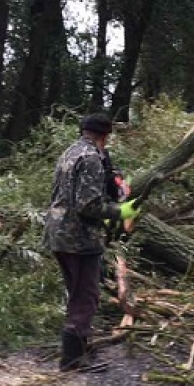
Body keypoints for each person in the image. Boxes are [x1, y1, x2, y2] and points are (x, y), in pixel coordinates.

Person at [43, 113, 140, 372]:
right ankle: (73, 360)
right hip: (78, 237)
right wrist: (120, 212)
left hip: (59, 232)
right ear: (106, 135)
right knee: (86, 296)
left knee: (78, 293)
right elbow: (88, 204)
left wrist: (114, 184)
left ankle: (79, 349)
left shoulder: (71, 152)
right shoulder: (91, 159)